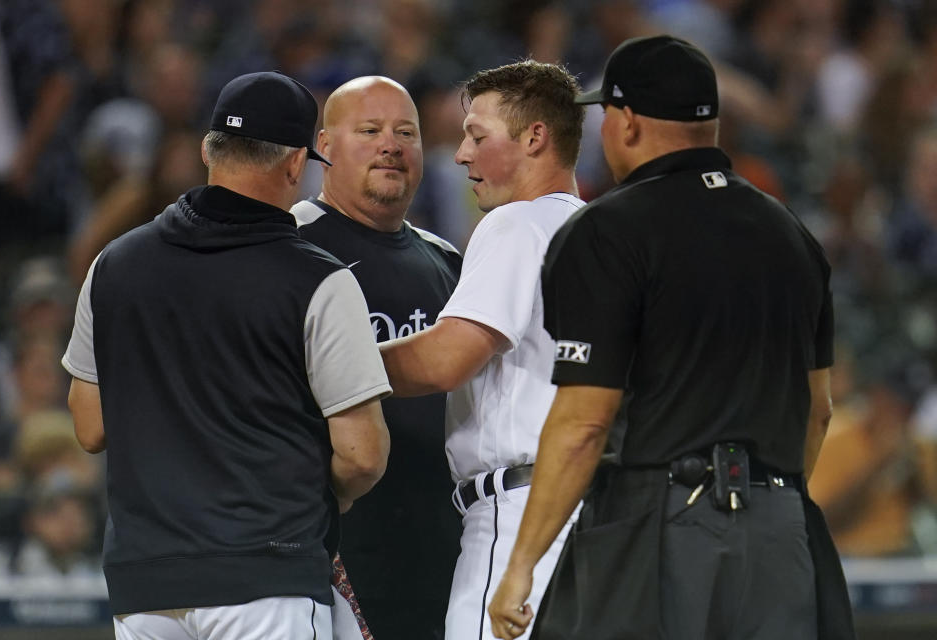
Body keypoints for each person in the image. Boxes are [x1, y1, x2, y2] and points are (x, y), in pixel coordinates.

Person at [487, 36, 853, 640]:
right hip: (781, 530)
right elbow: (818, 412)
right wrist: (760, 508)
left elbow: (584, 423)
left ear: (628, 122)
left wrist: (521, 564)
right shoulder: (790, 234)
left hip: (661, 525)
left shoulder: (606, 231)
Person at [61, 71, 391, 640]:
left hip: (146, 588)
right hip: (266, 580)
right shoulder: (318, 278)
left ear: (208, 150)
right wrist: (315, 496)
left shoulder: (113, 265)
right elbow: (362, 455)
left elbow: (90, 427)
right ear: (295, 165)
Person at [378, 60, 586, 640]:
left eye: (477, 135)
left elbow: (447, 358)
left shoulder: (517, 223)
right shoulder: (601, 233)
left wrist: (333, 364)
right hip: (597, 516)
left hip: (522, 515)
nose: (462, 154)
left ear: (534, 137)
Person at [289, 75, 462, 640]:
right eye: (370, 130)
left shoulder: (448, 261)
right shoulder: (284, 248)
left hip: (442, 548)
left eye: (405, 131)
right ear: (325, 146)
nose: (391, 144)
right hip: (331, 550)